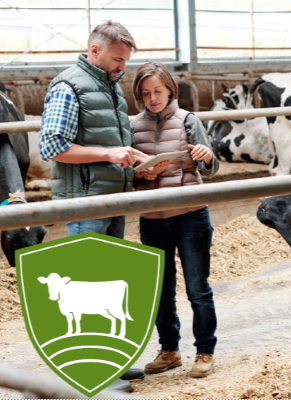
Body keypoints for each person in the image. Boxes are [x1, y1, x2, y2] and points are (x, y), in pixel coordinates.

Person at [39, 20, 148, 392]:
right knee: (81, 293)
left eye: (126, 61)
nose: (123, 68)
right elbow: (52, 146)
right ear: (95, 51)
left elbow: (108, 142)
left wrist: (132, 156)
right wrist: (109, 152)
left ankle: (110, 365)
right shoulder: (70, 86)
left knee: (103, 289)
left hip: (111, 196)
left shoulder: (111, 88)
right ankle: (90, 375)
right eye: (118, 60)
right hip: (84, 201)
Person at [131, 62, 219, 378]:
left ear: (170, 89)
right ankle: (169, 350)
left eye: (157, 91)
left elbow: (212, 166)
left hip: (190, 215)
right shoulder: (133, 126)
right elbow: (128, 176)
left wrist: (206, 156)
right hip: (152, 217)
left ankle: (205, 352)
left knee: (197, 287)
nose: (152, 98)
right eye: (145, 93)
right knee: (160, 289)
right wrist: (140, 173)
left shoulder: (188, 121)